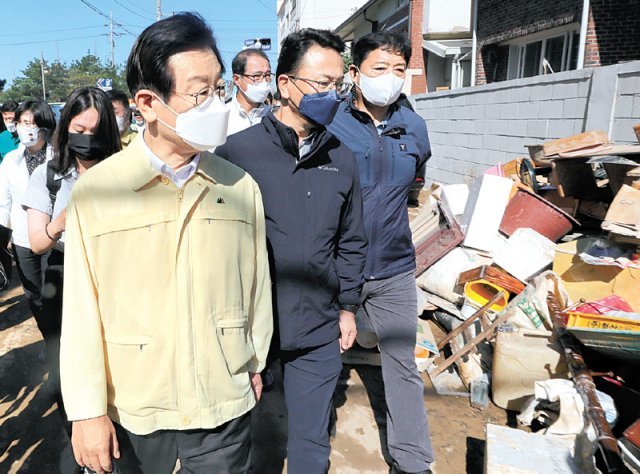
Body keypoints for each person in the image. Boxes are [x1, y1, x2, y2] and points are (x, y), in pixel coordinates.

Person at [59, 12, 273, 474]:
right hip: (135, 413)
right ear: (148, 103)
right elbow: (80, 311)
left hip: (222, 410)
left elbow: (258, 291)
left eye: (218, 89)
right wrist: (86, 411)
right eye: (199, 92)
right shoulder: (98, 192)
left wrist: (252, 363)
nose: (215, 104)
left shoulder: (239, 186)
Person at [216, 28, 367, 474]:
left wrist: (347, 307)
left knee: (310, 440)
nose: (332, 95)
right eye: (321, 84)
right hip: (247, 327)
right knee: (234, 436)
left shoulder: (342, 157)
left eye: (337, 85)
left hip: (317, 325)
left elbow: (351, 239)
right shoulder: (237, 155)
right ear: (285, 85)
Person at [327, 31, 434, 474]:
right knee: (320, 365)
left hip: (392, 269)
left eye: (398, 69)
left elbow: (416, 184)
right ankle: (310, 451)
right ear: (355, 73)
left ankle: (412, 462)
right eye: (379, 69)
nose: (390, 79)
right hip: (334, 270)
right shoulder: (329, 124)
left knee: (402, 365)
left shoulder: (414, 127)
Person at [23, 87, 121, 447]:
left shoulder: (124, 172)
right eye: (80, 129)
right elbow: (37, 242)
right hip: (64, 274)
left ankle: (120, 437)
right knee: (68, 367)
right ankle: (82, 442)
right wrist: (62, 220)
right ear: (65, 129)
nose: (87, 139)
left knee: (116, 360)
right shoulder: (49, 177)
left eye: (96, 133)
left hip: (116, 273)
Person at [0, 99, 56, 338]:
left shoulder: (60, 156)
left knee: (58, 294)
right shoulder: (11, 160)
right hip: (23, 240)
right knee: (35, 295)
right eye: (23, 122)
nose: (27, 128)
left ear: (45, 126)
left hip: (57, 239)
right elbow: (3, 202)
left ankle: (60, 342)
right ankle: (49, 338)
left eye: (33, 123)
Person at [226, 49, 272, 136]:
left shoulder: (273, 116)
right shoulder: (224, 115)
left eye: (267, 75)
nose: (264, 81)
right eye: (257, 76)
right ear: (237, 79)